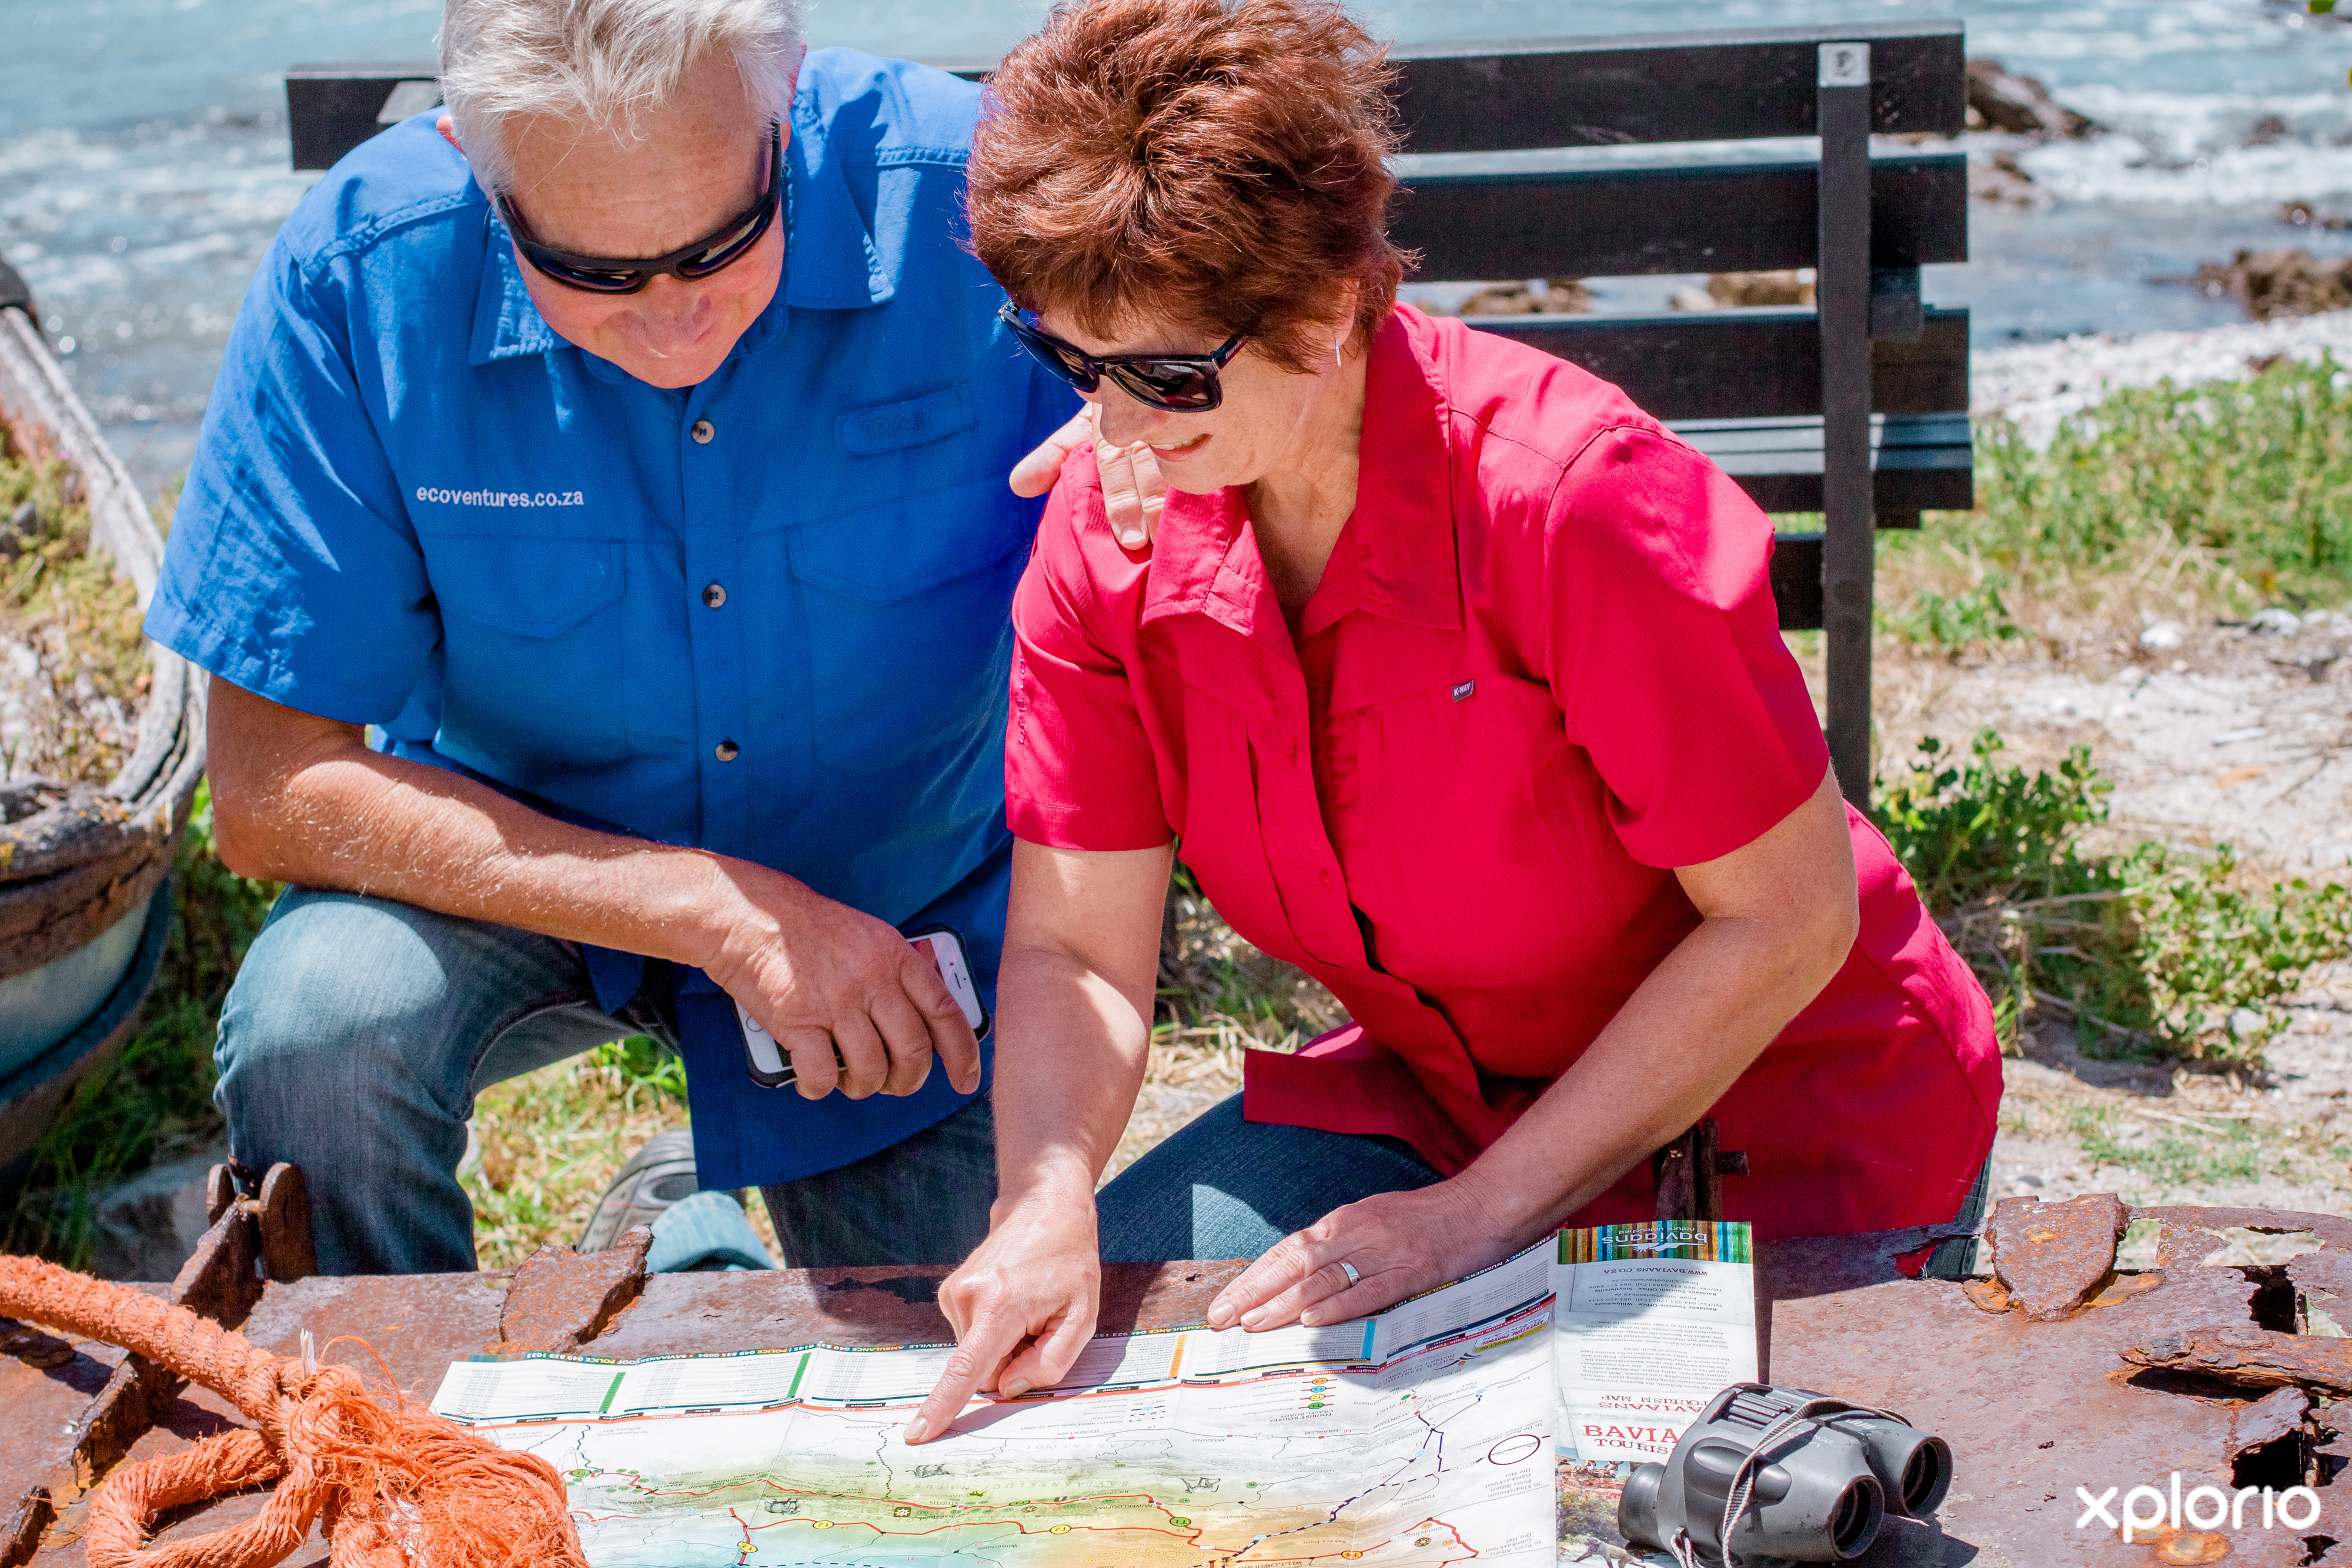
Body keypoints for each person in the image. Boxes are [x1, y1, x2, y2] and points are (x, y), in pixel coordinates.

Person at [907, 0, 2002, 1438]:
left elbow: (1785, 918)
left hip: (1788, 1119)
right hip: (1434, 1109)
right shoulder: (1106, 532)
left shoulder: (1574, 503)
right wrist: (1042, 1198)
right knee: (1095, 1392)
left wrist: (1477, 1218)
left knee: (1683, 1508)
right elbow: (1072, 948)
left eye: (1166, 376)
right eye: (1068, 361)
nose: (1113, 427)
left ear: (1326, 306)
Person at [144, 0, 1165, 1275]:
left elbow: (1301, 371)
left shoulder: (991, 195)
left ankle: (679, 1227)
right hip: (522, 866)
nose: (676, 325)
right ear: (474, 162)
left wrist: (1162, 430)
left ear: (785, 100)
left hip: (902, 903)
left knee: (940, 1343)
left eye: (722, 243)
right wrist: (709, 910)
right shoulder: (356, 271)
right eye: (596, 275)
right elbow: (265, 789)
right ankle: (395, 1394)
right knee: (318, 1030)